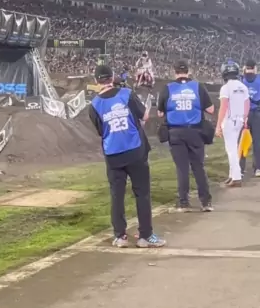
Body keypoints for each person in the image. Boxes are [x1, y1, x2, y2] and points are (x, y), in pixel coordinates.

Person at [89, 64, 165, 249]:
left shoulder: (94, 105)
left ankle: (120, 236)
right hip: (135, 150)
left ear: (96, 81)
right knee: (142, 194)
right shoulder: (126, 94)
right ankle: (145, 236)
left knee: (117, 196)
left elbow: (101, 131)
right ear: (113, 77)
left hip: (113, 154)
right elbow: (144, 116)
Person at [157, 59, 214, 211]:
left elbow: (160, 113)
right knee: (198, 167)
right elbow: (211, 110)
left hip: (175, 132)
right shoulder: (198, 86)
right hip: (195, 131)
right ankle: (206, 202)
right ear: (188, 71)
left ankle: (184, 203)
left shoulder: (168, 88)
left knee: (182, 168)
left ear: (174, 72)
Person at [216, 61, 250, 187]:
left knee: (231, 150)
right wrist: (245, 118)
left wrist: (218, 125)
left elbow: (223, 107)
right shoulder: (243, 87)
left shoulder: (225, 88)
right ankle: (232, 175)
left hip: (229, 120)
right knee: (233, 148)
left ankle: (236, 177)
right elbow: (247, 104)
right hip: (239, 120)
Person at [241, 59, 260, 177]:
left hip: (243, 114)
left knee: (242, 141)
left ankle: (240, 169)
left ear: (245, 67)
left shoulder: (240, 80)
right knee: (257, 141)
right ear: (255, 68)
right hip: (257, 113)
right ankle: (258, 168)